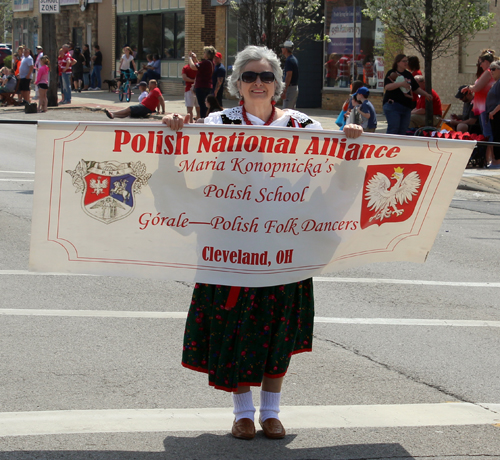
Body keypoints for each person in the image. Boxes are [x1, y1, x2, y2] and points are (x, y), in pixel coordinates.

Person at [161, 45, 363, 441]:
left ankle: (271, 412)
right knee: (233, 326)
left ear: (278, 85)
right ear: (237, 85)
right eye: (250, 76)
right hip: (229, 245)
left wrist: (351, 144)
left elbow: (329, 180)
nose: (258, 82)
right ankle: (241, 413)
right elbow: (187, 161)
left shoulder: (305, 128)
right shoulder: (218, 123)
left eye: (266, 76)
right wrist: (173, 129)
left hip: (285, 249)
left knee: (278, 328)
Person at [462, 49, 497, 167]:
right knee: (489, 133)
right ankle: (490, 160)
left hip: (486, 107)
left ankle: (492, 160)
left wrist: (468, 87)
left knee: (489, 134)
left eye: (480, 62)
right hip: (485, 106)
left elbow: (477, 88)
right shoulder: (489, 72)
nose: (479, 65)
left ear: (487, 62)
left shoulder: (488, 72)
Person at [383, 54, 432, 135]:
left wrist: (426, 94)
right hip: (393, 105)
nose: (406, 63)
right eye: (404, 61)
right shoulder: (392, 73)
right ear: (398, 62)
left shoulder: (408, 74)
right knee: (394, 129)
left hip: (406, 107)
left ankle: (400, 147)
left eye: (407, 61)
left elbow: (415, 88)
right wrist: (401, 83)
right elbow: (387, 87)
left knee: (403, 131)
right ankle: (390, 146)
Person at [189, 46, 215, 118]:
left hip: (201, 86)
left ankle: (204, 119)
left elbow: (193, 66)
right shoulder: (210, 62)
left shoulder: (206, 62)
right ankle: (206, 118)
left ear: (207, 54)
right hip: (207, 86)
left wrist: (190, 58)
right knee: (206, 104)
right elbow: (200, 66)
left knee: (202, 105)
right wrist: (195, 59)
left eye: (204, 52)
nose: (203, 54)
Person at [485, 60, 500, 168]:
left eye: (493, 69)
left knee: (498, 137)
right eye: (490, 69)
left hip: (498, 115)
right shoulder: (496, 82)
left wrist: (494, 111)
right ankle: (495, 160)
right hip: (493, 115)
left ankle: (497, 161)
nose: (491, 71)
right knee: (495, 136)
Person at [280, 40, 299, 109]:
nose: (281, 49)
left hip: (290, 88)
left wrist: (284, 90)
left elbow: (289, 75)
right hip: (293, 88)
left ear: (286, 49)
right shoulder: (293, 59)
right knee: (291, 111)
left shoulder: (289, 61)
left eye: (283, 47)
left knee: (286, 111)